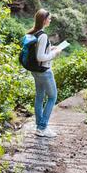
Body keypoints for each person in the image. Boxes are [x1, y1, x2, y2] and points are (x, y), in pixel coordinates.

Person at [27, 9, 62, 138]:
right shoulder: (43, 36)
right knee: (52, 97)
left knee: (40, 97)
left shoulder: (33, 33)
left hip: (35, 71)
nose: (50, 20)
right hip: (44, 72)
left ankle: (39, 127)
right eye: (49, 18)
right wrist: (55, 53)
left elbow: (38, 52)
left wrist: (50, 48)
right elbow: (40, 57)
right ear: (44, 20)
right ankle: (42, 128)